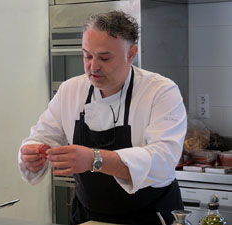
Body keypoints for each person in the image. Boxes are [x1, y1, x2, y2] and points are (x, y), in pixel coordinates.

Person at [19, 10, 187, 225]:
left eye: (104, 58)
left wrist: (94, 159)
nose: (94, 66)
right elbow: (42, 137)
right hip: (88, 216)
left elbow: (163, 159)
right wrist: (31, 155)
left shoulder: (160, 91)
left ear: (131, 54)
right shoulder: (71, 90)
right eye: (87, 56)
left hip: (148, 215)